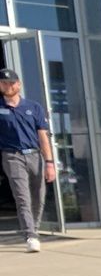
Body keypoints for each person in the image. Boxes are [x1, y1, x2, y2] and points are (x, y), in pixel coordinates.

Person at [0, 67, 56, 252]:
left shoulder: (33, 107)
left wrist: (49, 163)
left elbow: (43, 137)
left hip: (35, 155)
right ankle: (30, 236)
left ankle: (34, 228)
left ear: (19, 84)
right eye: (4, 83)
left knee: (38, 196)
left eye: (11, 83)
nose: (8, 86)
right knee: (22, 197)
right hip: (12, 156)